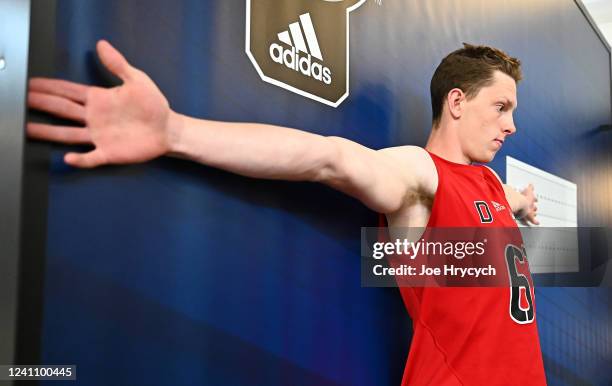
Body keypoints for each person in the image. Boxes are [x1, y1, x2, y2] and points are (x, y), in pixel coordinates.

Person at [27, 41, 545, 385]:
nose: (512, 125)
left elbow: (502, 201)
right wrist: (175, 133)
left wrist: (521, 201)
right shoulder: (420, 173)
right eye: (502, 107)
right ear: (456, 102)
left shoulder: (490, 185)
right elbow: (328, 158)